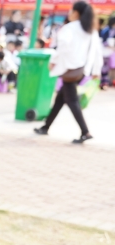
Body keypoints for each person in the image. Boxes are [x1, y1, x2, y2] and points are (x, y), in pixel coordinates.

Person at [35, 1, 102, 143]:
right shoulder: (91, 30)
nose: (69, 13)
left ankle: (85, 132)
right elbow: (97, 52)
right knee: (60, 99)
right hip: (81, 70)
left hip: (70, 70)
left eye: (71, 10)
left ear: (76, 12)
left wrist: (54, 61)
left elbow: (63, 47)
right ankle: (45, 127)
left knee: (72, 101)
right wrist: (97, 70)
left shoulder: (70, 28)